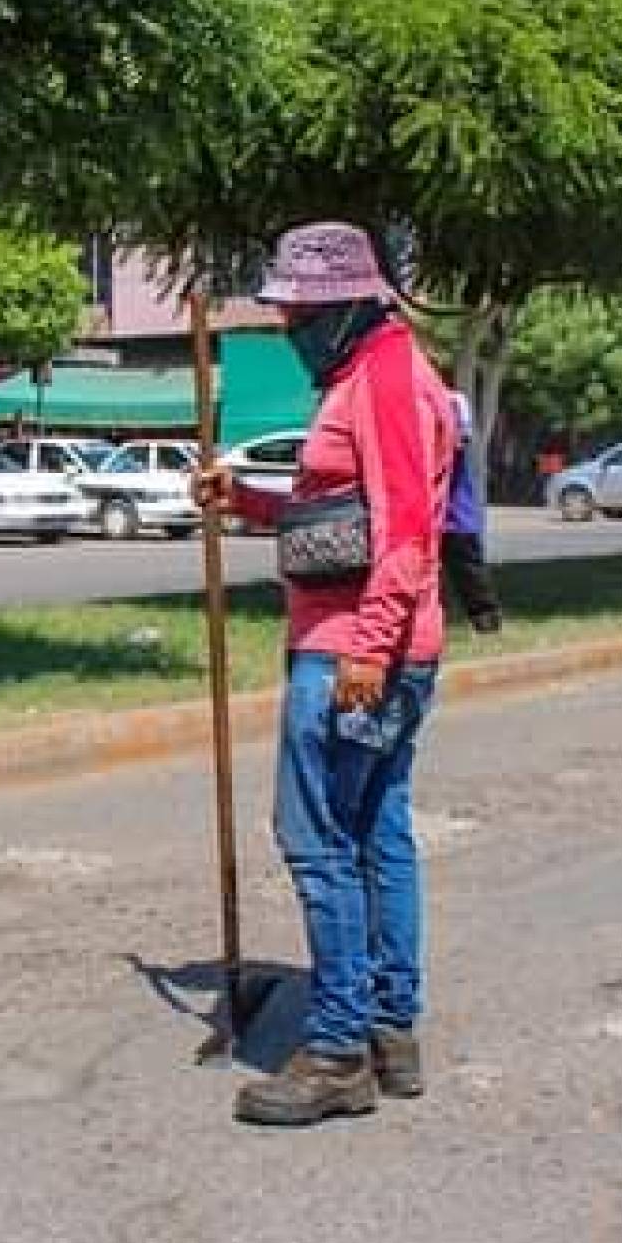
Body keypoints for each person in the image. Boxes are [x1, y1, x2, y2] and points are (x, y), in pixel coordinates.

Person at [195, 221, 456, 1126]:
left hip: (356, 652)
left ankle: (340, 1046)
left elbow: (408, 533)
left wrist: (367, 648)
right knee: (378, 834)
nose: (291, 329)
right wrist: (253, 498)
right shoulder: (367, 373)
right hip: (372, 643)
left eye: (303, 314)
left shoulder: (383, 376)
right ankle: (389, 1026)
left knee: (316, 838)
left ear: (350, 306)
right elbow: (339, 519)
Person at [442, 390, 503, 633]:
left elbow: (460, 439)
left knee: (469, 570)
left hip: (456, 513)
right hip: (427, 514)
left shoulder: (454, 401)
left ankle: (487, 622)